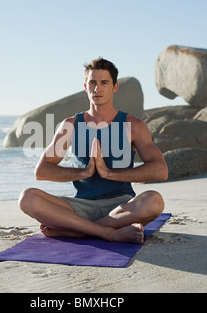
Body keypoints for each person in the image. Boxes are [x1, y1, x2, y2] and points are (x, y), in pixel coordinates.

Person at [18, 57, 168, 244]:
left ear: (114, 87)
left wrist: (109, 173)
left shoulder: (133, 125)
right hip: (80, 206)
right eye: (93, 83)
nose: (97, 89)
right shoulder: (70, 125)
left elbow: (160, 170)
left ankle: (79, 230)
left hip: (121, 207)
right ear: (85, 86)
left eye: (104, 83)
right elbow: (42, 171)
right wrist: (84, 172)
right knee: (27, 198)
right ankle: (107, 232)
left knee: (154, 201)